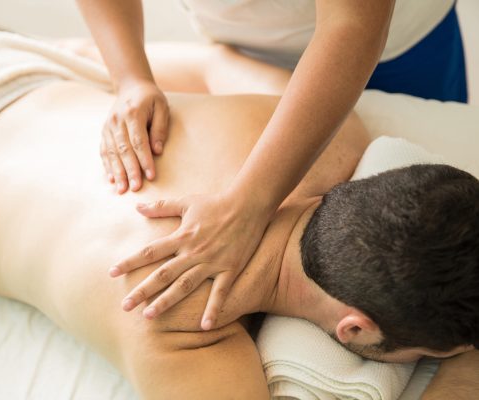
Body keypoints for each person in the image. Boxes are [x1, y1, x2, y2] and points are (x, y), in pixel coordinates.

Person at [0, 36, 478, 399]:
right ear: (354, 330)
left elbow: (213, 62)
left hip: (10, 66)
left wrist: (120, 76)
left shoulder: (329, 136)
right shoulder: (179, 326)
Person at [76, 0, 469, 330]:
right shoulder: (344, 147)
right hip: (242, 42)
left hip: (398, 46)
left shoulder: (340, 147)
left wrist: (248, 206)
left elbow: (353, 24)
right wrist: (129, 77)